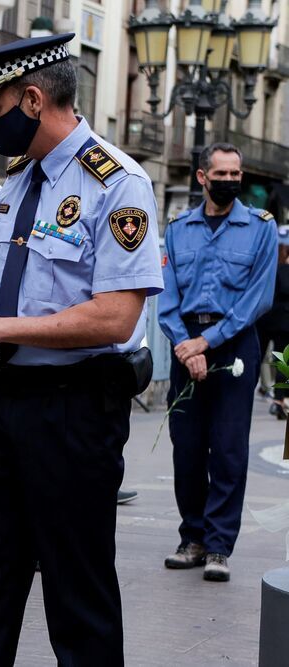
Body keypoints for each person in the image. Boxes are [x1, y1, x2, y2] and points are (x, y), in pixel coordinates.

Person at [0, 35, 163, 666]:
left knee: (77, 591)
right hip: (1, 406)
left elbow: (117, 317)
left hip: (74, 410)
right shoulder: (12, 187)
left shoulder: (116, 184)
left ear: (33, 100)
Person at [158, 142, 276, 583]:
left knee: (227, 451)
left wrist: (207, 343)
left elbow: (257, 300)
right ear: (202, 177)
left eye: (235, 174)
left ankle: (219, 545)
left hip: (234, 345)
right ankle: (192, 538)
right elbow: (165, 295)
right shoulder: (177, 228)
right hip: (184, 346)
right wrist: (186, 345)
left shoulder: (260, 227)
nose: (229, 180)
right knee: (187, 449)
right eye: (220, 173)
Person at [256, 224, 289, 419]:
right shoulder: (282, 269)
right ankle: (278, 400)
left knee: (258, 358)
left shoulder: (268, 266)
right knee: (283, 362)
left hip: (264, 319)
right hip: (283, 323)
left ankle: (247, 393)